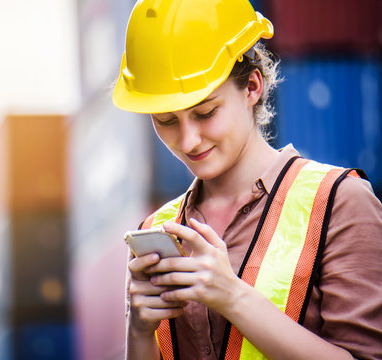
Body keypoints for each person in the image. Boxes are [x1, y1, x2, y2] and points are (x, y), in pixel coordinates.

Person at [112, 0, 382, 359]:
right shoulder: (156, 228)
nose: (189, 140)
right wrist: (139, 330)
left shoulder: (339, 202)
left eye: (206, 112)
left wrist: (231, 295)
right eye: (166, 121)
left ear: (252, 86)